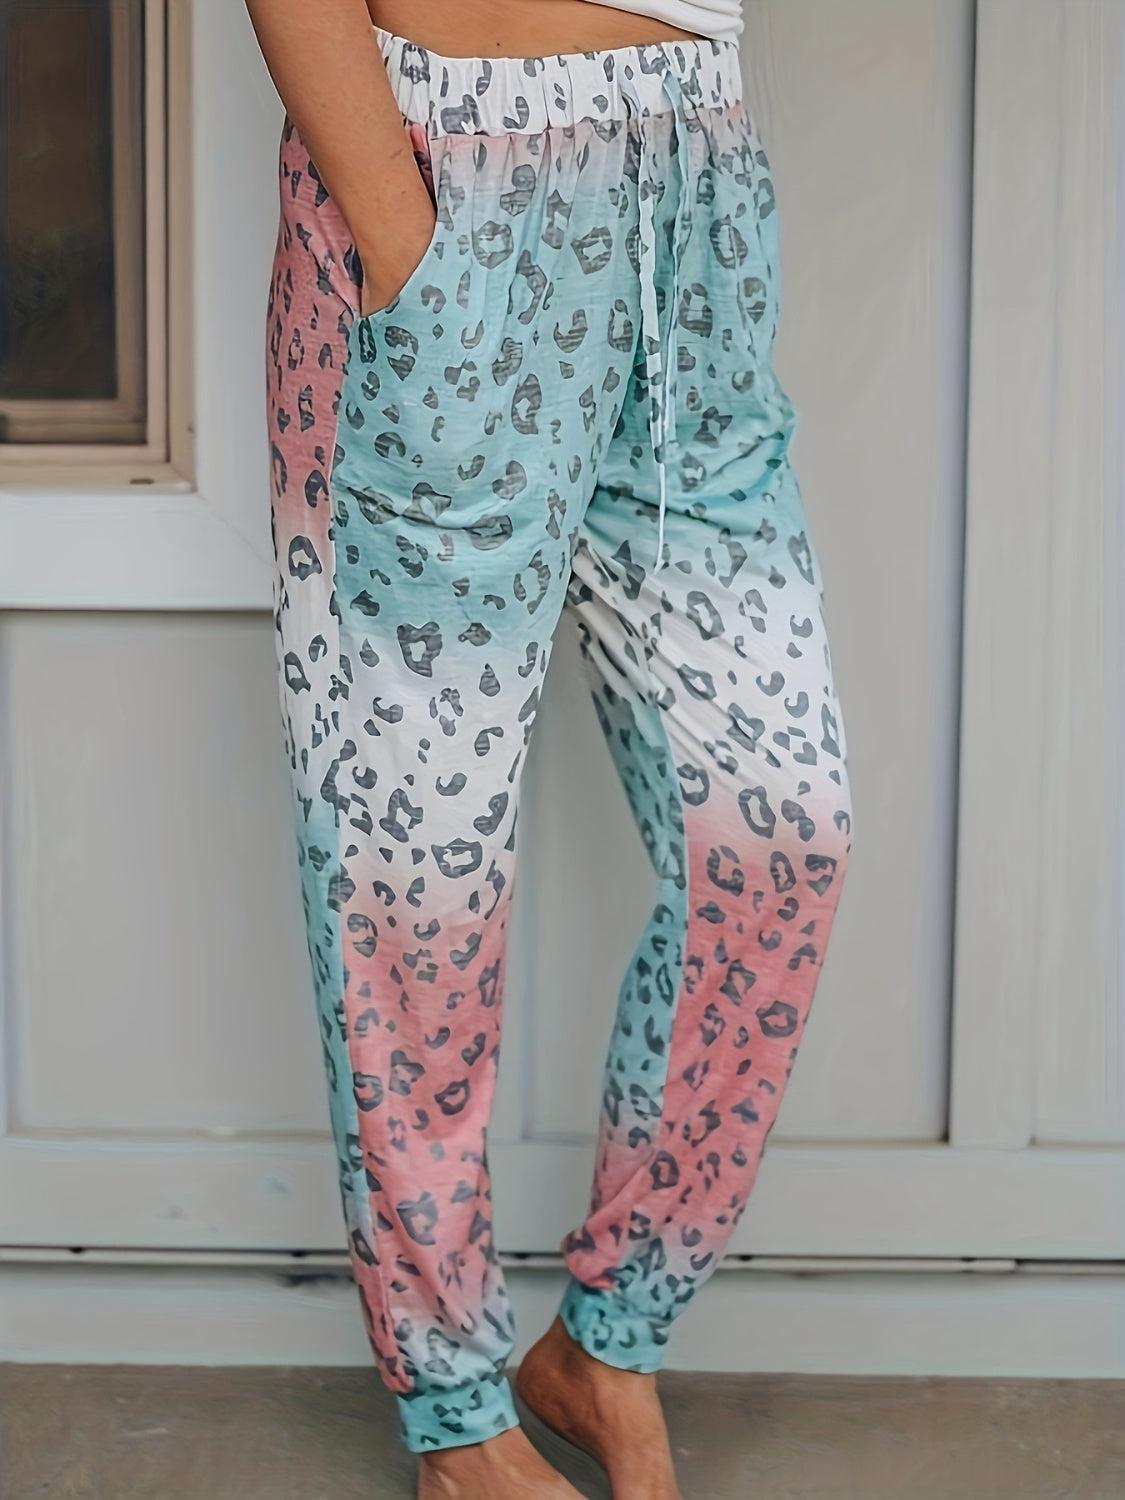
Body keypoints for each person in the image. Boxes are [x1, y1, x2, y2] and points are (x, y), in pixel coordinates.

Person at [247, 1, 853, 1495]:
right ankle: (457, 1414)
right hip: (450, 177)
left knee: (777, 836)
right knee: (418, 888)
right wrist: (408, 242)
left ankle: (605, 1341)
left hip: (688, 178)